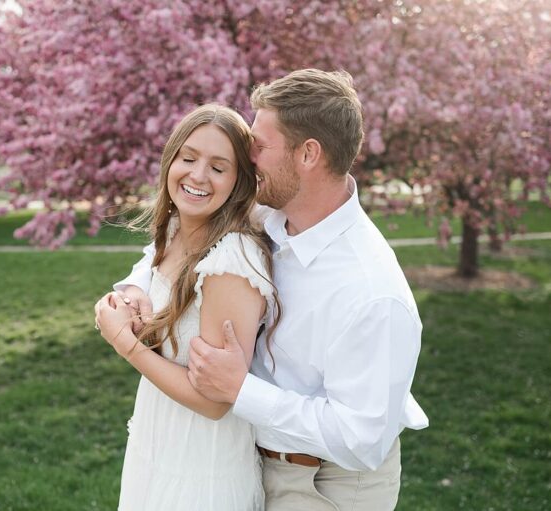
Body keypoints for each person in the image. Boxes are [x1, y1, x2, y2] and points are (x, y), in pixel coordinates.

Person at [114, 69, 429, 510]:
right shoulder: (270, 216)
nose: (249, 157)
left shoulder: (371, 290)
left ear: (308, 154)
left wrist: (241, 390)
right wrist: (132, 287)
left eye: (259, 146)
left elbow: (361, 441)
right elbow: (181, 242)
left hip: (328, 485)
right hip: (253, 460)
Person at [94, 104, 280, 511]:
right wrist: (126, 297)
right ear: (171, 159)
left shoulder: (233, 260)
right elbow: (146, 276)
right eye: (189, 158)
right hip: (157, 444)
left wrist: (125, 343)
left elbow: (215, 401)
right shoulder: (178, 228)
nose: (197, 176)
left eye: (218, 167)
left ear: (238, 181)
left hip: (202, 466)